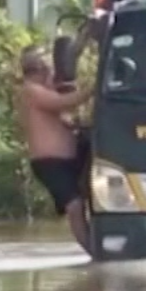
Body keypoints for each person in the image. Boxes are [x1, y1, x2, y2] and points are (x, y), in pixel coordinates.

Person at [18, 46, 94, 253]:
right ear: (40, 69)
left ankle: (101, 242)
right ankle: (92, 250)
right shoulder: (31, 91)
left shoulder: (44, 90)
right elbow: (62, 102)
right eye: (48, 68)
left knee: (94, 196)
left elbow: (64, 113)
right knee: (74, 206)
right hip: (50, 162)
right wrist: (93, 89)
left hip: (70, 158)